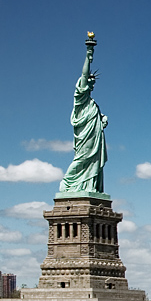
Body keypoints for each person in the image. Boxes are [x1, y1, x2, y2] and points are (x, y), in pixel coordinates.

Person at [59, 38, 108, 194]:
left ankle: (90, 186)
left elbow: (96, 119)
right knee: (82, 159)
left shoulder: (92, 103)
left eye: (93, 81)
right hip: (85, 137)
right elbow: (84, 74)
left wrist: (102, 121)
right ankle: (68, 183)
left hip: (94, 137)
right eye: (89, 81)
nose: (91, 83)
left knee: (91, 162)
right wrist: (89, 54)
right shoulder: (81, 98)